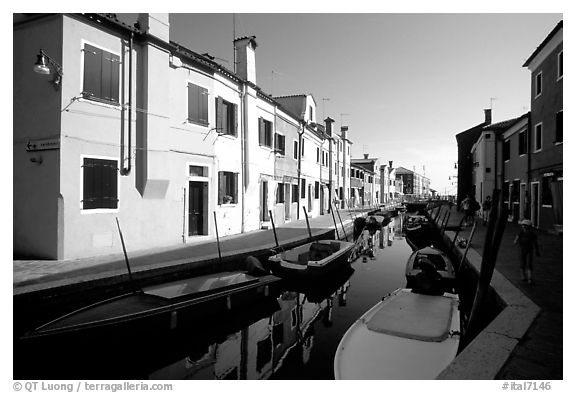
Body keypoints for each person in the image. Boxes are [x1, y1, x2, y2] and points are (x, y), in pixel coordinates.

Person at [514, 219, 540, 285]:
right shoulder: (521, 232)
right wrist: (516, 241)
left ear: (529, 227)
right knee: (523, 263)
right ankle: (523, 276)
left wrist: (537, 250)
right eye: (523, 225)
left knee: (529, 263)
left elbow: (535, 243)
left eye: (525, 226)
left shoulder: (532, 234)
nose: (524, 227)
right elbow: (516, 239)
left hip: (529, 250)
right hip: (522, 249)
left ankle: (530, 278)